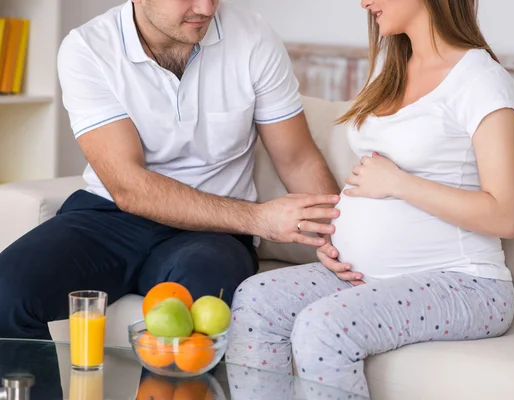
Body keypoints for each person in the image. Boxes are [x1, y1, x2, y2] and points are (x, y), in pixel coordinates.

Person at [226, 0, 514, 397]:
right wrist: (336, 240)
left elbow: (506, 215)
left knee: (325, 325)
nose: (364, 2)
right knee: (257, 299)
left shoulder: (481, 80)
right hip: (368, 276)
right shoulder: (390, 67)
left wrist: (400, 184)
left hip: (465, 282)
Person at [0, 0, 341, 340]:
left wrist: (342, 240)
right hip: (110, 217)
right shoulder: (88, 47)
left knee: (201, 299)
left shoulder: (253, 38)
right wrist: (259, 218)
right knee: (7, 292)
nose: (206, 8)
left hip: (214, 231)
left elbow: (298, 159)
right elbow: (128, 187)